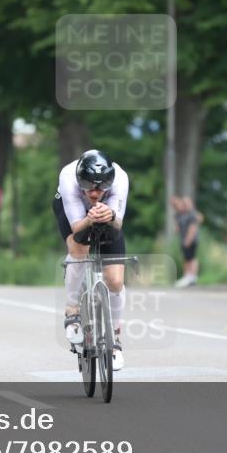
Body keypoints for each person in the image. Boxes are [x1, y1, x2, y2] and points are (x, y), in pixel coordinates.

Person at [52, 149, 129, 371]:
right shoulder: (68, 177)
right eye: (88, 187)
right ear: (80, 181)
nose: (95, 194)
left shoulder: (120, 179)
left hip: (107, 214)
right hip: (74, 214)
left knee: (115, 281)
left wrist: (111, 216)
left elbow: (117, 224)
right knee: (79, 250)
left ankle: (114, 341)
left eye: (101, 188)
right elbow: (77, 228)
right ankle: (72, 310)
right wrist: (89, 218)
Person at [173, 196, 203, 287]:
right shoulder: (181, 214)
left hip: (190, 240)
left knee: (191, 258)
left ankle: (192, 277)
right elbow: (177, 228)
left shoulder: (192, 214)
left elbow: (193, 227)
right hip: (184, 239)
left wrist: (188, 239)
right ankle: (188, 276)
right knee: (186, 258)